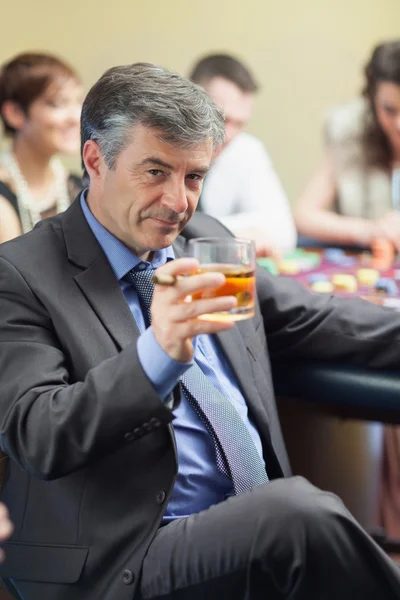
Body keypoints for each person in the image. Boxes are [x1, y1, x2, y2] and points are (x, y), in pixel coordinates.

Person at [2, 63, 400, 600]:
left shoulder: (205, 240)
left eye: (194, 177)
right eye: (155, 172)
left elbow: (316, 318)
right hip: (122, 558)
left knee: (302, 522)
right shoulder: (22, 274)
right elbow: (39, 434)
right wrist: (158, 354)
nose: (178, 202)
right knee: (299, 515)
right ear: (96, 159)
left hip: (243, 532)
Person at [294, 40, 400, 249]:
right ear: (372, 100)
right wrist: (372, 230)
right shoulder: (350, 133)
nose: (399, 124)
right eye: (389, 109)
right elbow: (303, 215)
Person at [189, 54, 297, 257]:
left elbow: (284, 233)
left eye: (239, 124)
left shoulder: (245, 150)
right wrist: (229, 235)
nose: (229, 135)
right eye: (223, 118)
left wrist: (198, 233)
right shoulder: (160, 146)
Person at [0, 52, 83, 243]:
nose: (74, 117)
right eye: (59, 104)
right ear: (15, 113)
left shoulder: (83, 189)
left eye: (78, 102)